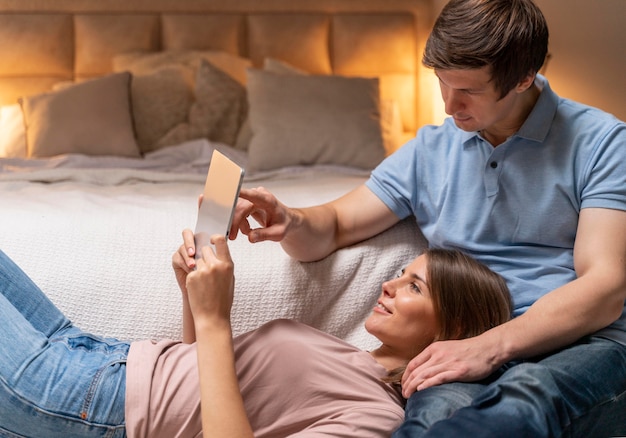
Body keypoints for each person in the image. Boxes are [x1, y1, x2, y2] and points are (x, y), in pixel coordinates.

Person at [228, 0, 626, 436]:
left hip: (579, 343)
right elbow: (336, 224)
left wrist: (488, 348)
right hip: (458, 345)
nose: (450, 106)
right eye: (442, 83)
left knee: (525, 397)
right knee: (432, 419)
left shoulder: (602, 144)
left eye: (468, 90)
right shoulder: (431, 149)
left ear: (523, 78)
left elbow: (604, 286)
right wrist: (290, 218)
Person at [0, 234, 512, 437]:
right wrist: (192, 296)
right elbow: (204, 396)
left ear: (455, 330)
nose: (389, 283)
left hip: (91, 403)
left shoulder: (377, 419)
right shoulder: (353, 358)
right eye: (400, 271)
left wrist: (216, 318)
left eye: (413, 285)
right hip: (94, 357)